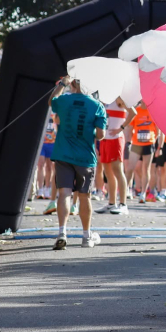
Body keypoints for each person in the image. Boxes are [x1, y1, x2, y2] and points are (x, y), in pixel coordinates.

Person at [49, 76, 107, 250]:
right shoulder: (97, 105)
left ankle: (62, 232)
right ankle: (86, 236)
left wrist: (61, 84)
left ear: (72, 83)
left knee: (64, 193)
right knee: (84, 196)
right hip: (85, 156)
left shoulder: (65, 100)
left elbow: (51, 101)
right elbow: (101, 134)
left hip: (63, 154)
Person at [95, 97, 135, 215]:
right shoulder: (104, 98)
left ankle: (123, 204)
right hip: (105, 139)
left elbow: (133, 112)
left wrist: (121, 128)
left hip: (115, 139)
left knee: (118, 170)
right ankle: (111, 203)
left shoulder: (119, 98)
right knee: (107, 172)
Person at [126, 103, 162, 204]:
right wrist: (129, 140)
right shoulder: (136, 110)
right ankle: (124, 190)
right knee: (130, 168)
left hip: (149, 143)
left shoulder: (153, 111)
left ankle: (143, 194)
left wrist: (154, 141)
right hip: (136, 143)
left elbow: (158, 131)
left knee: (146, 169)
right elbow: (130, 127)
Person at [37, 112, 57, 200]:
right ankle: (40, 189)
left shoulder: (57, 110)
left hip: (52, 142)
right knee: (40, 165)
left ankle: (47, 188)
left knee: (49, 167)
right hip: (42, 142)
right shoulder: (43, 110)